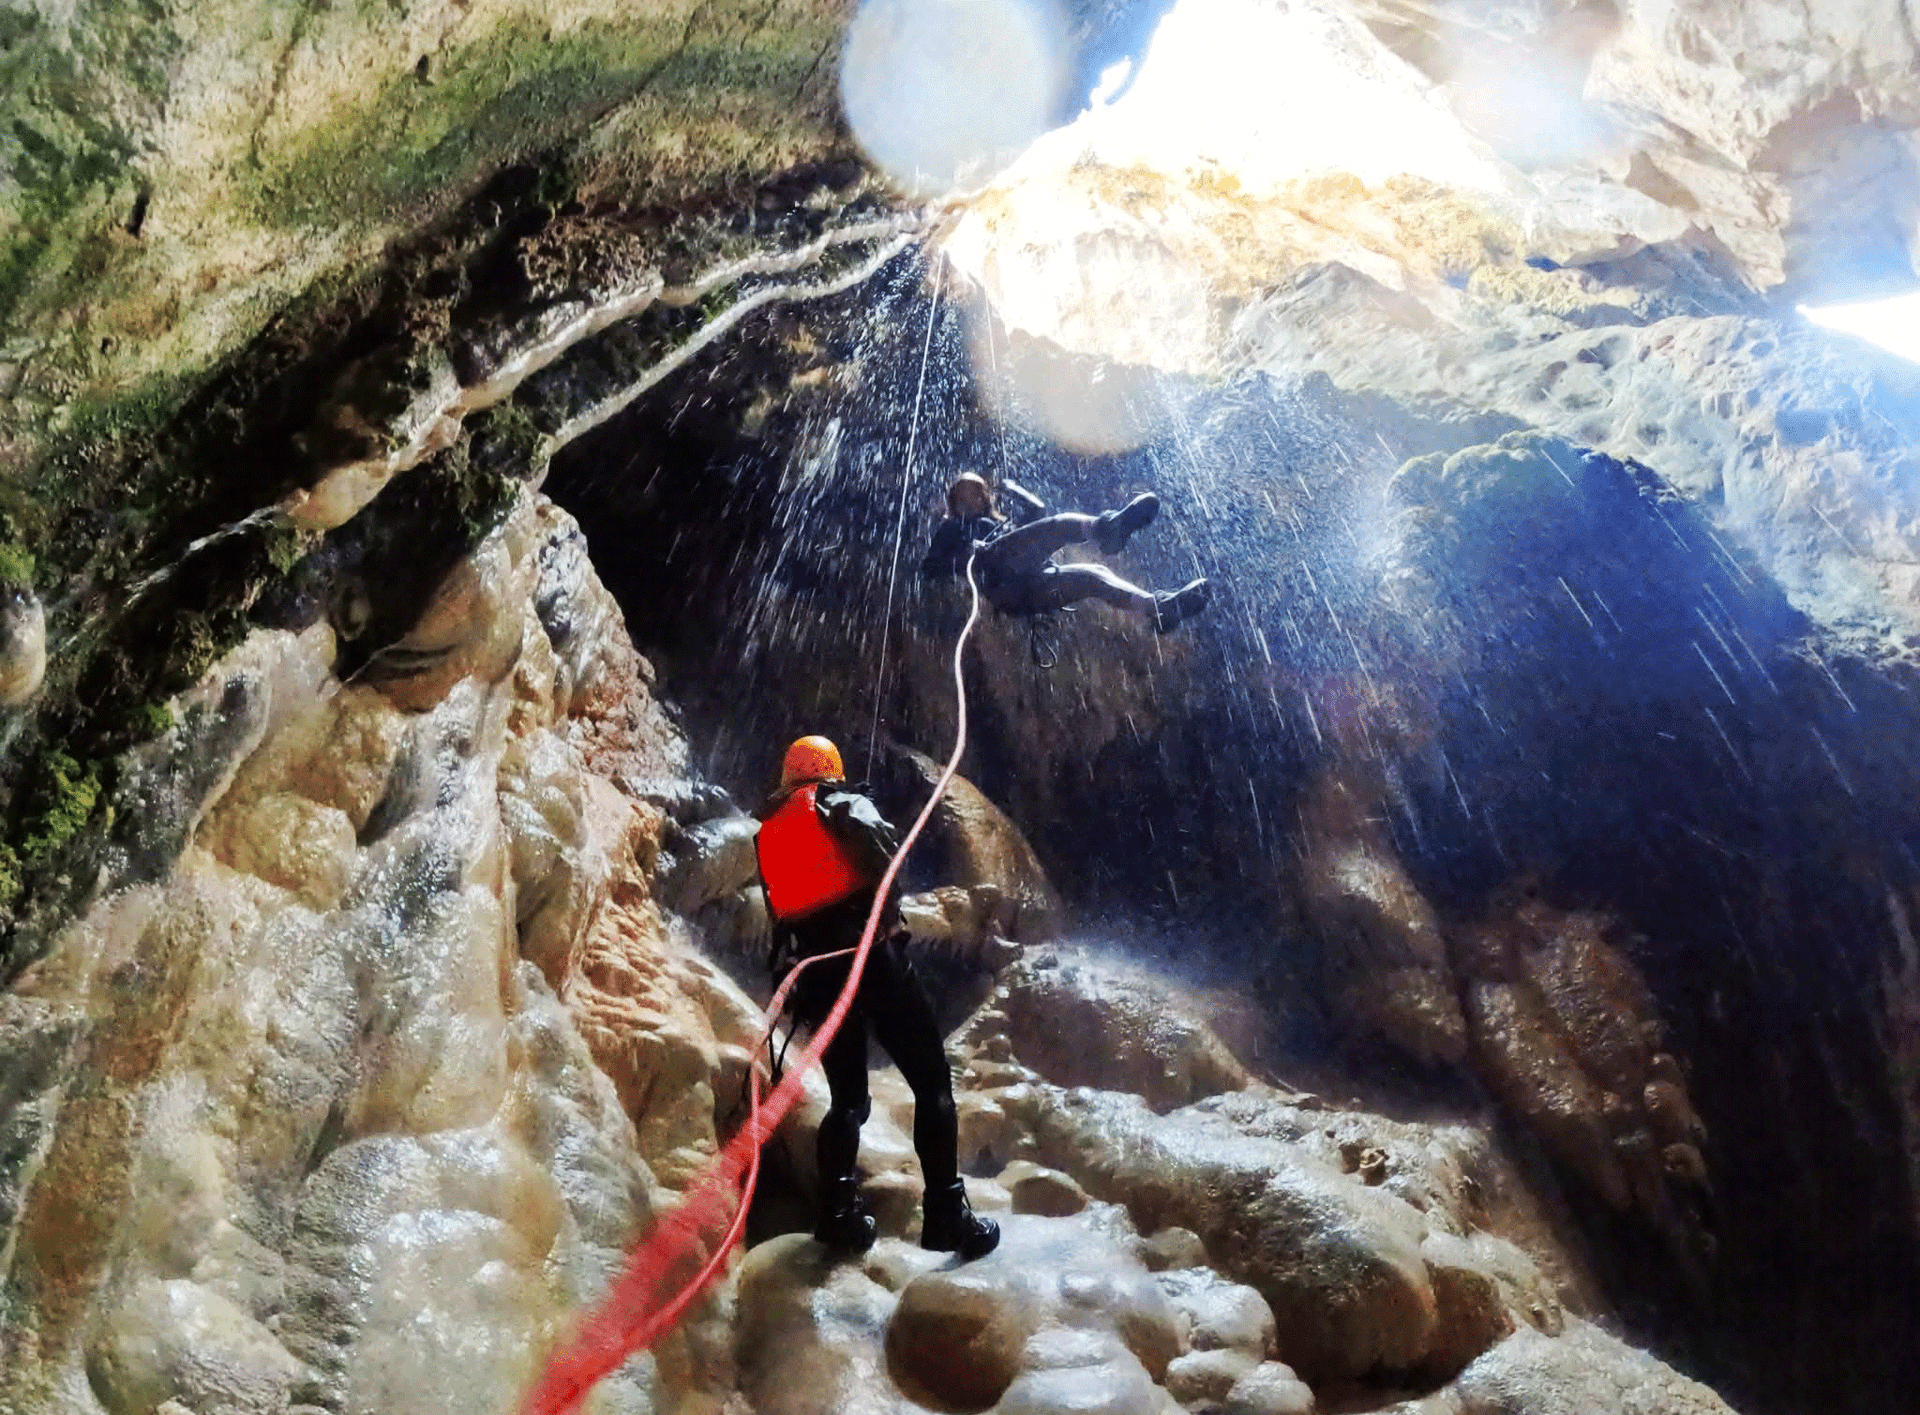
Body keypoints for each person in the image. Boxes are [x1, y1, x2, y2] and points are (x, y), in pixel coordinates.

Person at [753, 734, 1000, 1259]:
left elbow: (783, 912)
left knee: (849, 1100)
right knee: (932, 1081)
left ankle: (838, 1213)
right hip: (872, 959)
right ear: (830, 771)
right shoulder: (840, 802)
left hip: (818, 973)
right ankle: (946, 1217)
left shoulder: (768, 831)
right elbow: (887, 860)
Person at [919, 472, 1212, 632]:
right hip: (999, 581)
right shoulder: (951, 529)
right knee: (1058, 526)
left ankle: (1159, 609)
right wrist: (966, 556)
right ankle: (1105, 529)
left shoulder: (1003, 526)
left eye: (977, 489)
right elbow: (929, 569)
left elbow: (1038, 511)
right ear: (955, 500)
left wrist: (1012, 489)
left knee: (1093, 575)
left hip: (1031, 588)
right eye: (965, 491)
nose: (972, 495)